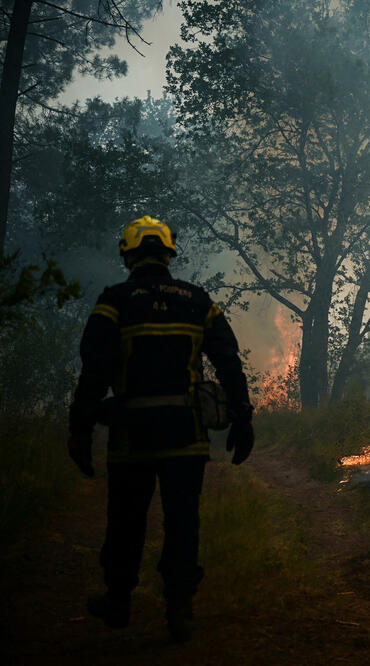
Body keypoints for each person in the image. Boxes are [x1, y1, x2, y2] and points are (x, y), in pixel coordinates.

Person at [67, 216, 255, 642]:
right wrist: (242, 417)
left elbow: (94, 370)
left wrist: (79, 428)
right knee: (183, 520)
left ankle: (118, 601)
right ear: (169, 254)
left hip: (132, 435)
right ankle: (180, 608)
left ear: (129, 255)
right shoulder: (197, 300)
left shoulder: (114, 301)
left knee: (126, 520)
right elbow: (228, 360)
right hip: (185, 435)